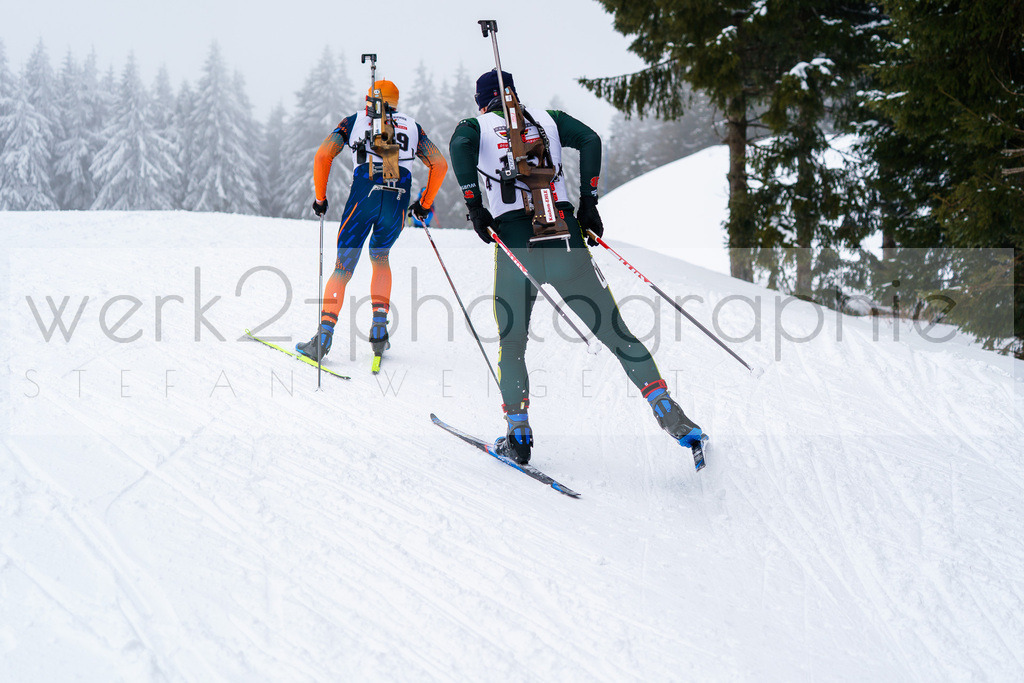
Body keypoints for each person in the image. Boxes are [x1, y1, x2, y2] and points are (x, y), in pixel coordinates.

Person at [448, 69, 705, 465]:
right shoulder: (548, 118)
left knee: (513, 344)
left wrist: (473, 204)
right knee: (617, 334)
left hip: (516, 242)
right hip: (565, 233)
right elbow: (590, 139)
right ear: (516, 93)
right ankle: (670, 413)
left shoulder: (475, 125)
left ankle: (518, 435)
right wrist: (589, 201)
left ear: (483, 100)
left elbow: (459, 145)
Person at [297, 79, 448, 363]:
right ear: (396, 101)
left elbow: (323, 155)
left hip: (364, 194)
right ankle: (379, 330)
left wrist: (320, 198)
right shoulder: (413, 127)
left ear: (369, 99)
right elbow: (439, 164)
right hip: (398, 198)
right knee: (380, 257)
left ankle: (324, 336)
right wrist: (424, 204)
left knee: (343, 267)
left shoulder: (354, 121)